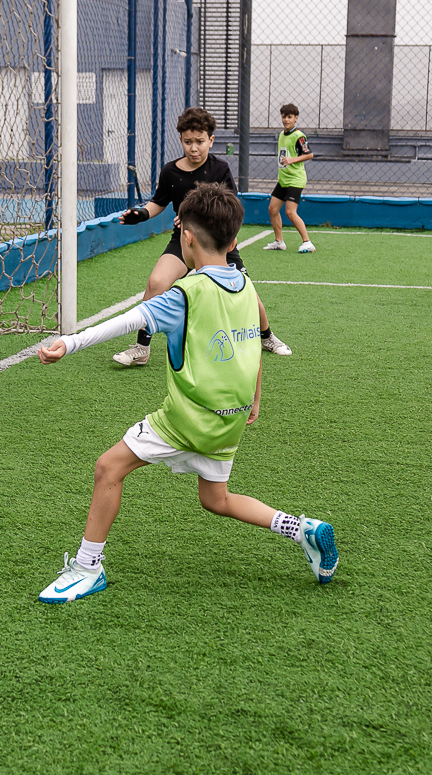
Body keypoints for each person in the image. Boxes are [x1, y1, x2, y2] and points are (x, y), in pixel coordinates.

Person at [35, 183, 339, 603]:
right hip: (230, 419)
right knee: (216, 498)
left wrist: (69, 343)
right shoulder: (246, 286)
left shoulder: (186, 294)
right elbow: (251, 344)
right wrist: (256, 396)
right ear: (234, 240)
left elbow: (127, 321)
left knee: (108, 468)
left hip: (187, 420)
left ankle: (87, 568)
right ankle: (302, 529)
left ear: (187, 237)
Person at [114, 107, 291, 365]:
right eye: (188, 142)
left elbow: (231, 207)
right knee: (156, 283)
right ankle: (142, 348)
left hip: (217, 243)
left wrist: (198, 219)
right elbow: (159, 202)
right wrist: (141, 214)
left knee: (247, 293)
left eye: (199, 141)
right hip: (184, 242)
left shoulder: (220, 169)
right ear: (180, 140)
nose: (194, 148)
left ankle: (266, 336)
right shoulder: (170, 171)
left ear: (211, 140)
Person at [262, 103, 315, 253]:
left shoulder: (299, 136)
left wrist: (292, 160)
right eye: (284, 116)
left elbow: (309, 154)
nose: (286, 120)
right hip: (283, 180)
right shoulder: (281, 135)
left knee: (290, 212)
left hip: (295, 180)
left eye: (289, 117)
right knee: (272, 209)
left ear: (295, 118)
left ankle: (307, 242)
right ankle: (279, 241)